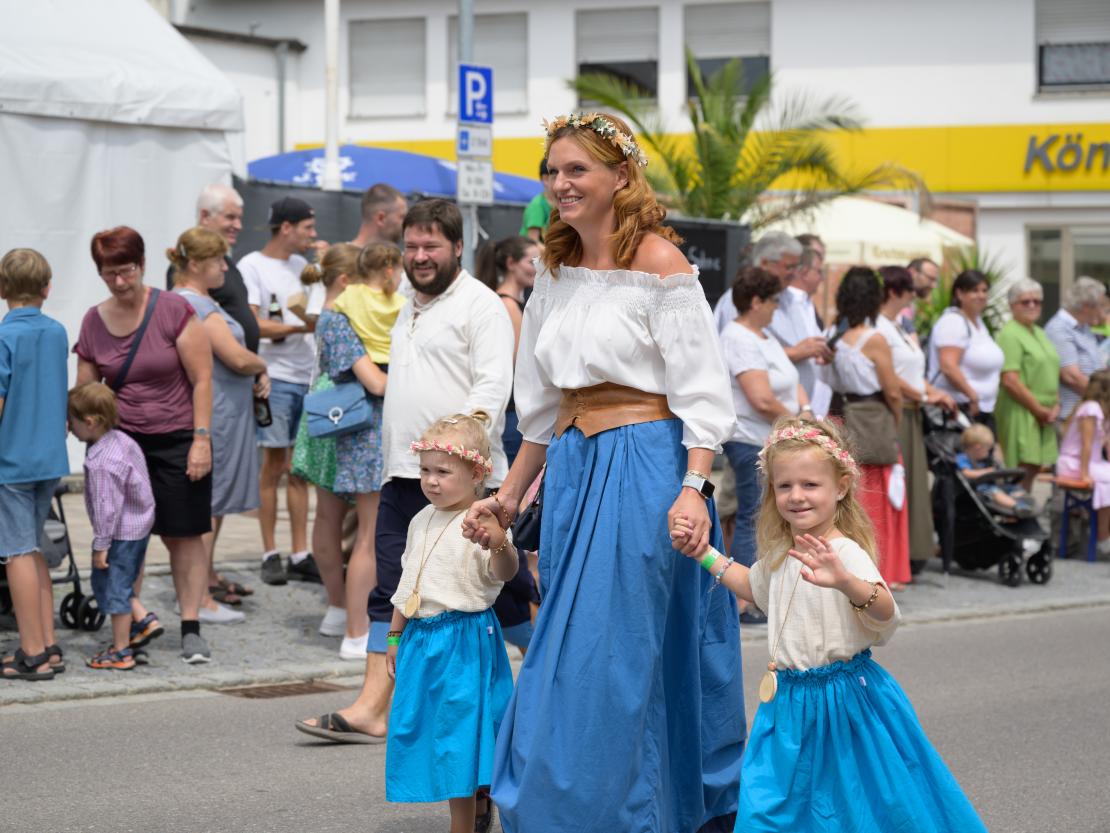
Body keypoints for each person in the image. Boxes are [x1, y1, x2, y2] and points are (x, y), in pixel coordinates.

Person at [462, 112, 744, 833]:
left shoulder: (661, 265)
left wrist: (694, 487)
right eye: (552, 171)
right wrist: (505, 495)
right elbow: (543, 410)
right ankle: (577, 806)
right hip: (578, 470)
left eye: (576, 169)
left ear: (622, 176)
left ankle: (638, 809)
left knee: (621, 648)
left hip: (647, 462)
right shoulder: (552, 270)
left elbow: (704, 392)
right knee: (563, 641)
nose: (560, 184)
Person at [673, 417, 988, 833]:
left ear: (840, 487)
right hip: (786, 704)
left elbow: (886, 613)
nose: (796, 496)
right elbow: (752, 585)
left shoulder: (845, 553)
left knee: (850, 808)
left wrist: (845, 582)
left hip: (842, 704)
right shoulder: (783, 553)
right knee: (770, 802)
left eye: (810, 485)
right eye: (784, 486)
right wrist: (704, 554)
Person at [294, 199, 513, 772]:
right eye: (411, 246)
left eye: (430, 247)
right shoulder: (408, 307)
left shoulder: (480, 306)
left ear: (457, 247)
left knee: (499, 594)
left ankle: (550, 696)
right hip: (403, 474)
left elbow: (493, 388)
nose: (418, 257)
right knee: (396, 590)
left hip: (460, 481)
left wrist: (471, 469)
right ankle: (373, 707)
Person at [76, 226, 215, 664]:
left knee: (184, 534)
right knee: (121, 537)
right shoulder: (93, 322)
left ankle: (190, 625)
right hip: (122, 443)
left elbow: (203, 379)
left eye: (127, 270)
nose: (120, 281)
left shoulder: (173, 308)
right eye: (110, 274)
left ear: (144, 265)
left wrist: (201, 440)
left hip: (177, 438)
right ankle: (130, 624)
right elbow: (85, 395)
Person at [382, 414, 518, 833]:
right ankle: (479, 798)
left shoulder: (482, 522)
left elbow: (506, 571)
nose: (431, 481)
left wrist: (499, 544)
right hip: (423, 640)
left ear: (476, 473)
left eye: (443, 471)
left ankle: (463, 821)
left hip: (464, 639)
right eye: (425, 470)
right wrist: (393, 634)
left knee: (459, 737)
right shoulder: (420, 519)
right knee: (434, 733)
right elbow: (409, 582)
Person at [170, 227, 269, 623]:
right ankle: (199, 601)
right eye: (217, 261)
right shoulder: (197, 306)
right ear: (196, 264)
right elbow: (236, 357)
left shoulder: (191, 302)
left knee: (214, 501)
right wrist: (262, 366)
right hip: (220, 413)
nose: (225, 267)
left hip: (226, 409)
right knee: (208, 505)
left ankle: (204, 583)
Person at [305, 243, 390, 659]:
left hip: (339, 420)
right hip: (359, 426)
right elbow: (374, 382)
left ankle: (341, 614)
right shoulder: (341, 319)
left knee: (334, 520)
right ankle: (356, 631)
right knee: (368, 536)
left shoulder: (332, 316)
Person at [720, 265, 810, 624]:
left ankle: (757, 594)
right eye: (773, 300)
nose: (777, 307)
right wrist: (800, 422)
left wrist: (803, 409)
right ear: (756, 301)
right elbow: (760, 397)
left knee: (761, 516)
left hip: (772, 437)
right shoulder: (738, 337)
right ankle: (741, 601)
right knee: (752, 517)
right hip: (750, 440)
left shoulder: (764, 336)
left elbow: (791, 380)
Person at [240, 196, 321, 586]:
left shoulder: (305, 267)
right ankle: (270, 550)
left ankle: (300, 552)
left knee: (300, 468)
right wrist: (299, 327)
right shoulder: (252, 267)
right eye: (308, 227)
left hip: (306, 375)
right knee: (273, 465)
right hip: (274, 375)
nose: (313, 234)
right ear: (286, 227)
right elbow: (253, 325)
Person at [0, 248, 69, 681]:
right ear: (47, 288)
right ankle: (47, 643)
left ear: (2, 289)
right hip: (48, 457)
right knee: (36, 548)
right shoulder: (58, 331)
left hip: (11, 459)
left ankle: (32, 653)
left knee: (16, 552)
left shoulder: (4, 337)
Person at [824, 267, 910, 589]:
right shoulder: (874, 340)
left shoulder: (833, 336)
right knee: (881, 495)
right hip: (873, 415)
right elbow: (893, 390)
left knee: (851, 493)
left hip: (841, 414)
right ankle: (883, 567)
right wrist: (895, 419)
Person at [67, 382, 157, 670]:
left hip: (119, 533)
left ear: (90, 422)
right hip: (139, 527)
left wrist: (100, 546)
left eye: (72, 422)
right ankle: (142, 619)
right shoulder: (123, 440)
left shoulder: (102, 462)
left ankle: (121, 652)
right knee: (115, 583)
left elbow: (108, 509)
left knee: (114, 588)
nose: (69, 428)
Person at [877, 266, 956, 570]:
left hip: (912, 410)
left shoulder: (898, 326)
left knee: (911, 487)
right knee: (897, 486)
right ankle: (896, 559)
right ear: (896, 291)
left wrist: (934, 393)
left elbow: (912, 372)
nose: (915, 294)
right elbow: (891, 376)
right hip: (897, 411)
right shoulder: (880, 327)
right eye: (910, 289)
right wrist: (924, 395)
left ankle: (909, 554)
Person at [167, 184, 259, 353]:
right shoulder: (184, 266)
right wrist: (249, 363)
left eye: (239, 218)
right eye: (230, 217)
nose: (238, 225)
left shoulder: (228, 264)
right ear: (205, 216)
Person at [475, 235, 541, 466]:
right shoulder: (507, 305)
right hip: (513, 411)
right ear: (511, 263)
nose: (537, 267)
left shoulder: (513, 302)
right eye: (531, 261)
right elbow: (516, 364)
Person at [994, 279, 1060, 490]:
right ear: (1012, 305)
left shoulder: (1039, 332)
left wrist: (1055, 405)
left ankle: (1023, 512)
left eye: (1037, 301)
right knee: (1021, 467)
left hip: (1044, 411)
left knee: (1034, 465)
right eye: (1025, 302)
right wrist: (1039, 410)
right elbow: (1010, 380)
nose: (1032, 306)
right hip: (1022, 408)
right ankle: (1014, 515)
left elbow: (1051, 370)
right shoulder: (1010, 334)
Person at [926, 269, 1005, 430]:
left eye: (984, 291)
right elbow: (948, 367)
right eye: (974, 291)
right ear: (960, 294)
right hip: (958, 409)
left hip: (980, 409)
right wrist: (972, 396)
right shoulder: (953, 322)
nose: (981, 295)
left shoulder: (978, 322)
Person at [767, 242, 833, 404]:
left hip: (805, 400)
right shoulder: (781, 300)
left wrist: (817, 351)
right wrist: (798, 352)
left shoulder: (802, 301)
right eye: (789, 267)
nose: (792, 273)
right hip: (780, 405)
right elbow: (755, 351)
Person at [1057, 370, 1110, 555]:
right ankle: (1103, 536)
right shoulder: (1091, 409)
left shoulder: (1105, 413)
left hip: (1093, 462)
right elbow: (1086, 445)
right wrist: (1085, 474)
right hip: (1075, 462)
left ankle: (1103, 532)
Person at [1044, 276, 1107, 424]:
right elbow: (1071, 377)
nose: (1101, 312)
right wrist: (1105, 399)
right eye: (1100, 306)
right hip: (1072, 417)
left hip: (1091, 413)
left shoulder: (1084, 328)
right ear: (1086, 306)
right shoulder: (1059, 329)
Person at [955, 424, 1035, 518]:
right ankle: (1016, 506)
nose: (989, 453)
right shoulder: (963, 458)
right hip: (979, 489)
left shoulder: (983, 461)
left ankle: (1023, 502)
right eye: (987, 449)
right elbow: (965, 473)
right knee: (995, 492)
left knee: (1012, 488)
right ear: (978, 447)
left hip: (989, 485)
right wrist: (986, 472)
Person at [351, 183, 407, 249]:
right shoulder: (340, 258)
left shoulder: (400, 258)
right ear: (381, 218)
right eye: (402, 217)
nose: (405, 224)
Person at [901, 256, 941, 339]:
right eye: (930, 279)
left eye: (935, 281)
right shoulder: (897, 301)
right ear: (912, 272)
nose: (934, 286)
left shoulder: (910, 304)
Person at [519, 158, 555, 243]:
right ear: (545, 179)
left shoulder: (558, 205)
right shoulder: (537, 206)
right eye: (555, 174)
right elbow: (533, 243)